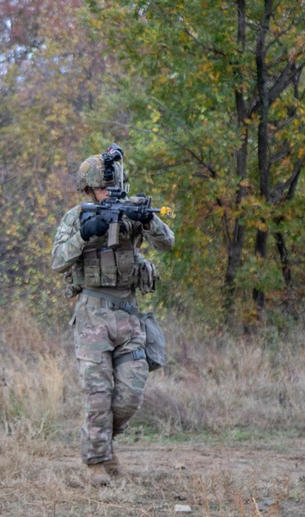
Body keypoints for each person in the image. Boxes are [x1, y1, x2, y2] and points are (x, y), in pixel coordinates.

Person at [51, 145, 175, 487]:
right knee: (97, 393)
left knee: (130, 393)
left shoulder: (133, 212)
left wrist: (148, 221)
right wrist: (86, 233)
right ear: (88, 189)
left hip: (129, 314)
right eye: (102, 189)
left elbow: (168, 243)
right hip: (92, 314)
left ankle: (105, 443)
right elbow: (58, 260)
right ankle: (95, 462)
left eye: (112, 187)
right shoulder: (77, 217)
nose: (108, 194)